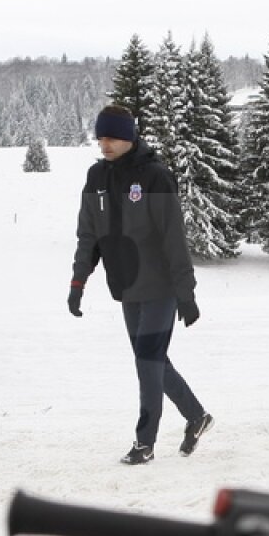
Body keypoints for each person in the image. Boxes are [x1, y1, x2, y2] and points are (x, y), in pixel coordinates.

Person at [68, 105, 213, 465]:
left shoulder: (154, 177)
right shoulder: (96, 178)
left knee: (147, 363)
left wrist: (186, 294)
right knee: (152, 360)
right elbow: (89, 235)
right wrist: (78, 282)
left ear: (130, 137)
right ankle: (197, 417)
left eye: (112, 137)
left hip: (160, 287)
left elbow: (173, 239)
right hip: (126, 287)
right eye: (101, 137)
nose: (105, 144)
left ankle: (144, 443)